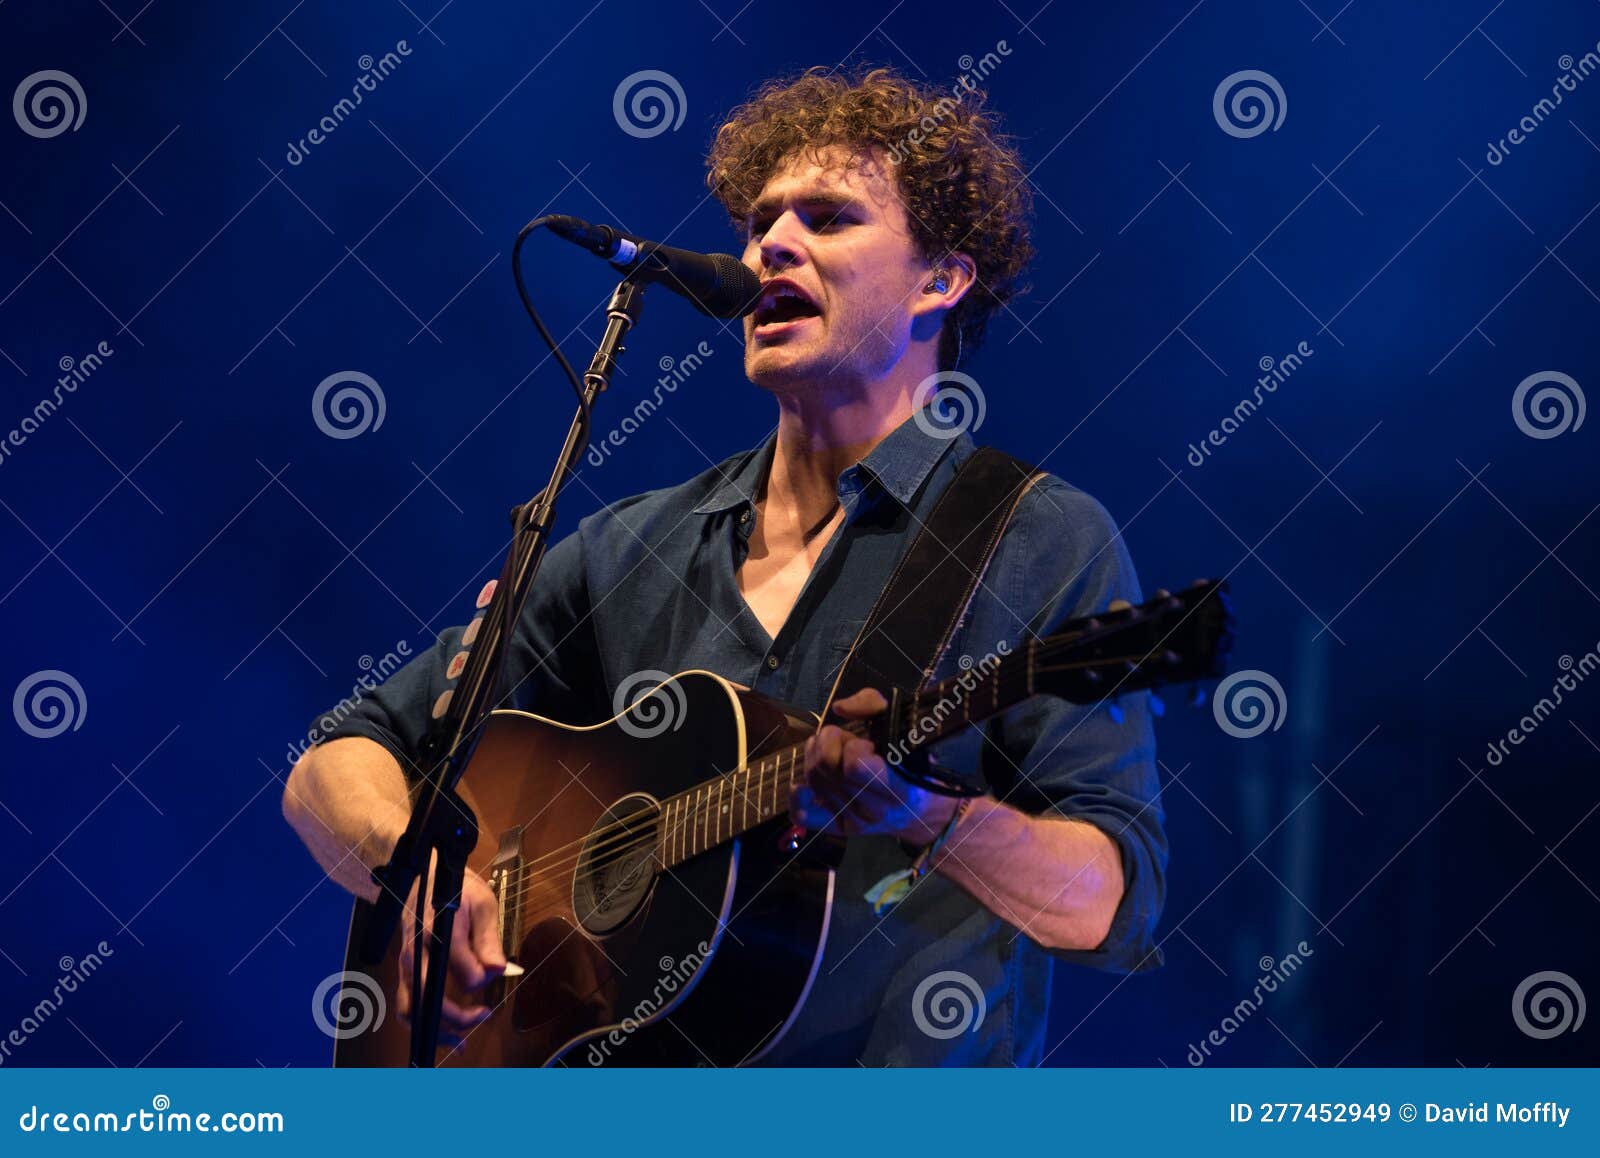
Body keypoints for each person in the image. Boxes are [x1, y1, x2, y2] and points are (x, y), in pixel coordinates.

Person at [283, 66, 1166, 1066]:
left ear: (940, 280)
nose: (771, 245)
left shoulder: (1034, 537)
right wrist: (422, 887)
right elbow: (337, 759)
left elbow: (1111, 901)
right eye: (760, 223)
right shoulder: (632, 544)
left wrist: (926, 817)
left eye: (828, 219)